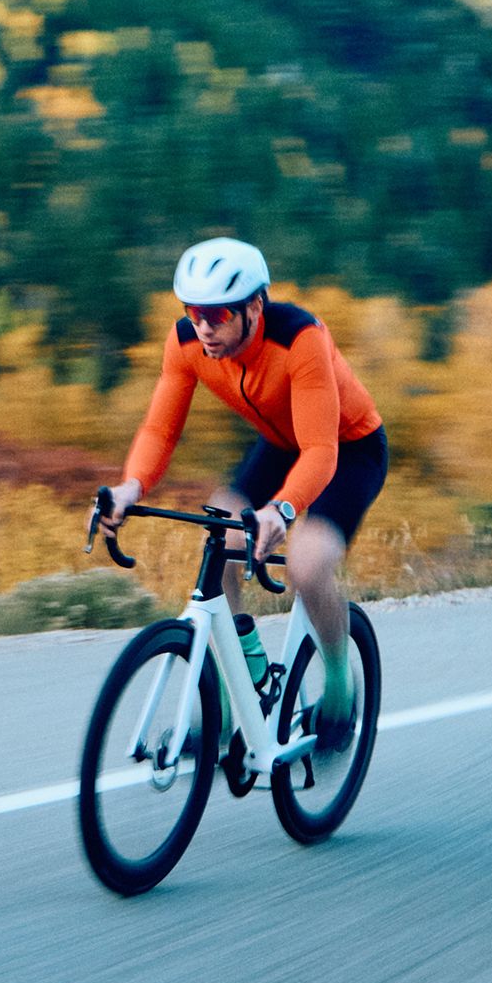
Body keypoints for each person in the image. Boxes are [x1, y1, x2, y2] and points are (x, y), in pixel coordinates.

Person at [94, 237, 387, 749]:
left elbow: (320, 452)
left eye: (218, 313)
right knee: (222, 528)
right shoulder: (186, 343)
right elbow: (160, 432)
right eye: (193, 311)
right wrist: (129, 487)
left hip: (348, 449)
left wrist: (282, 509)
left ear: (255, 306)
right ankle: (233, 693)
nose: (203, 325)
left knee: (307, 564)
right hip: (279, 444)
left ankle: (342, 684)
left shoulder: (300, 339)